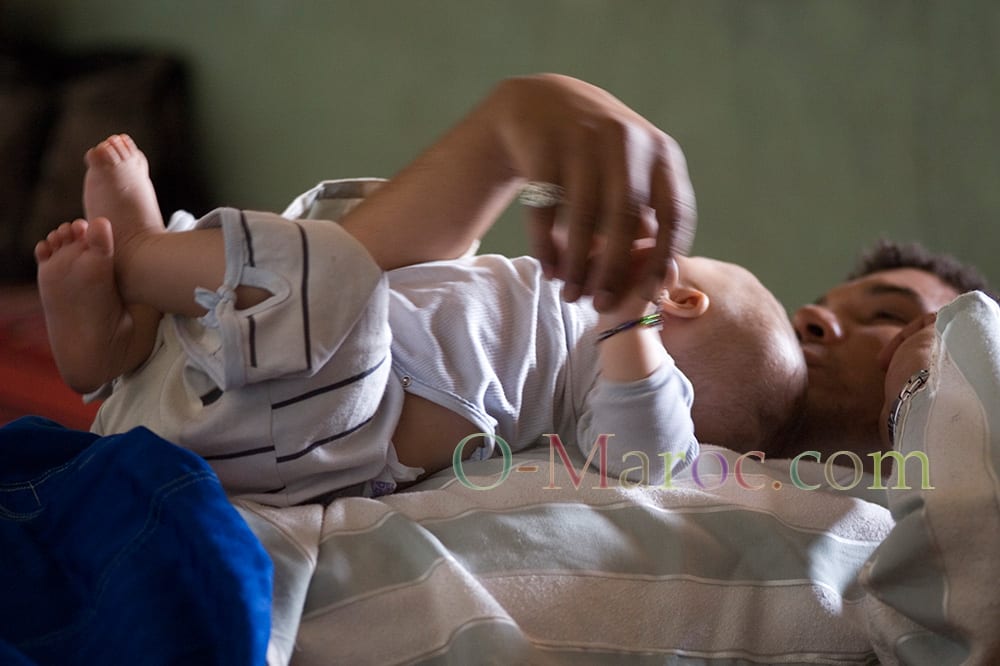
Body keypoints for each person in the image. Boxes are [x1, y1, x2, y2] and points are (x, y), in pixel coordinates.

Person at [34, 91, 804, 508]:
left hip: (324, 415)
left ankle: (139, 259)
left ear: (683, 297)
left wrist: (628, 311)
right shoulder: (564, 315)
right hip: (252, 373)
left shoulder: (615, 367)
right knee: (357, 244)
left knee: (334, 273)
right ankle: (122, 344)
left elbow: (652, 459)